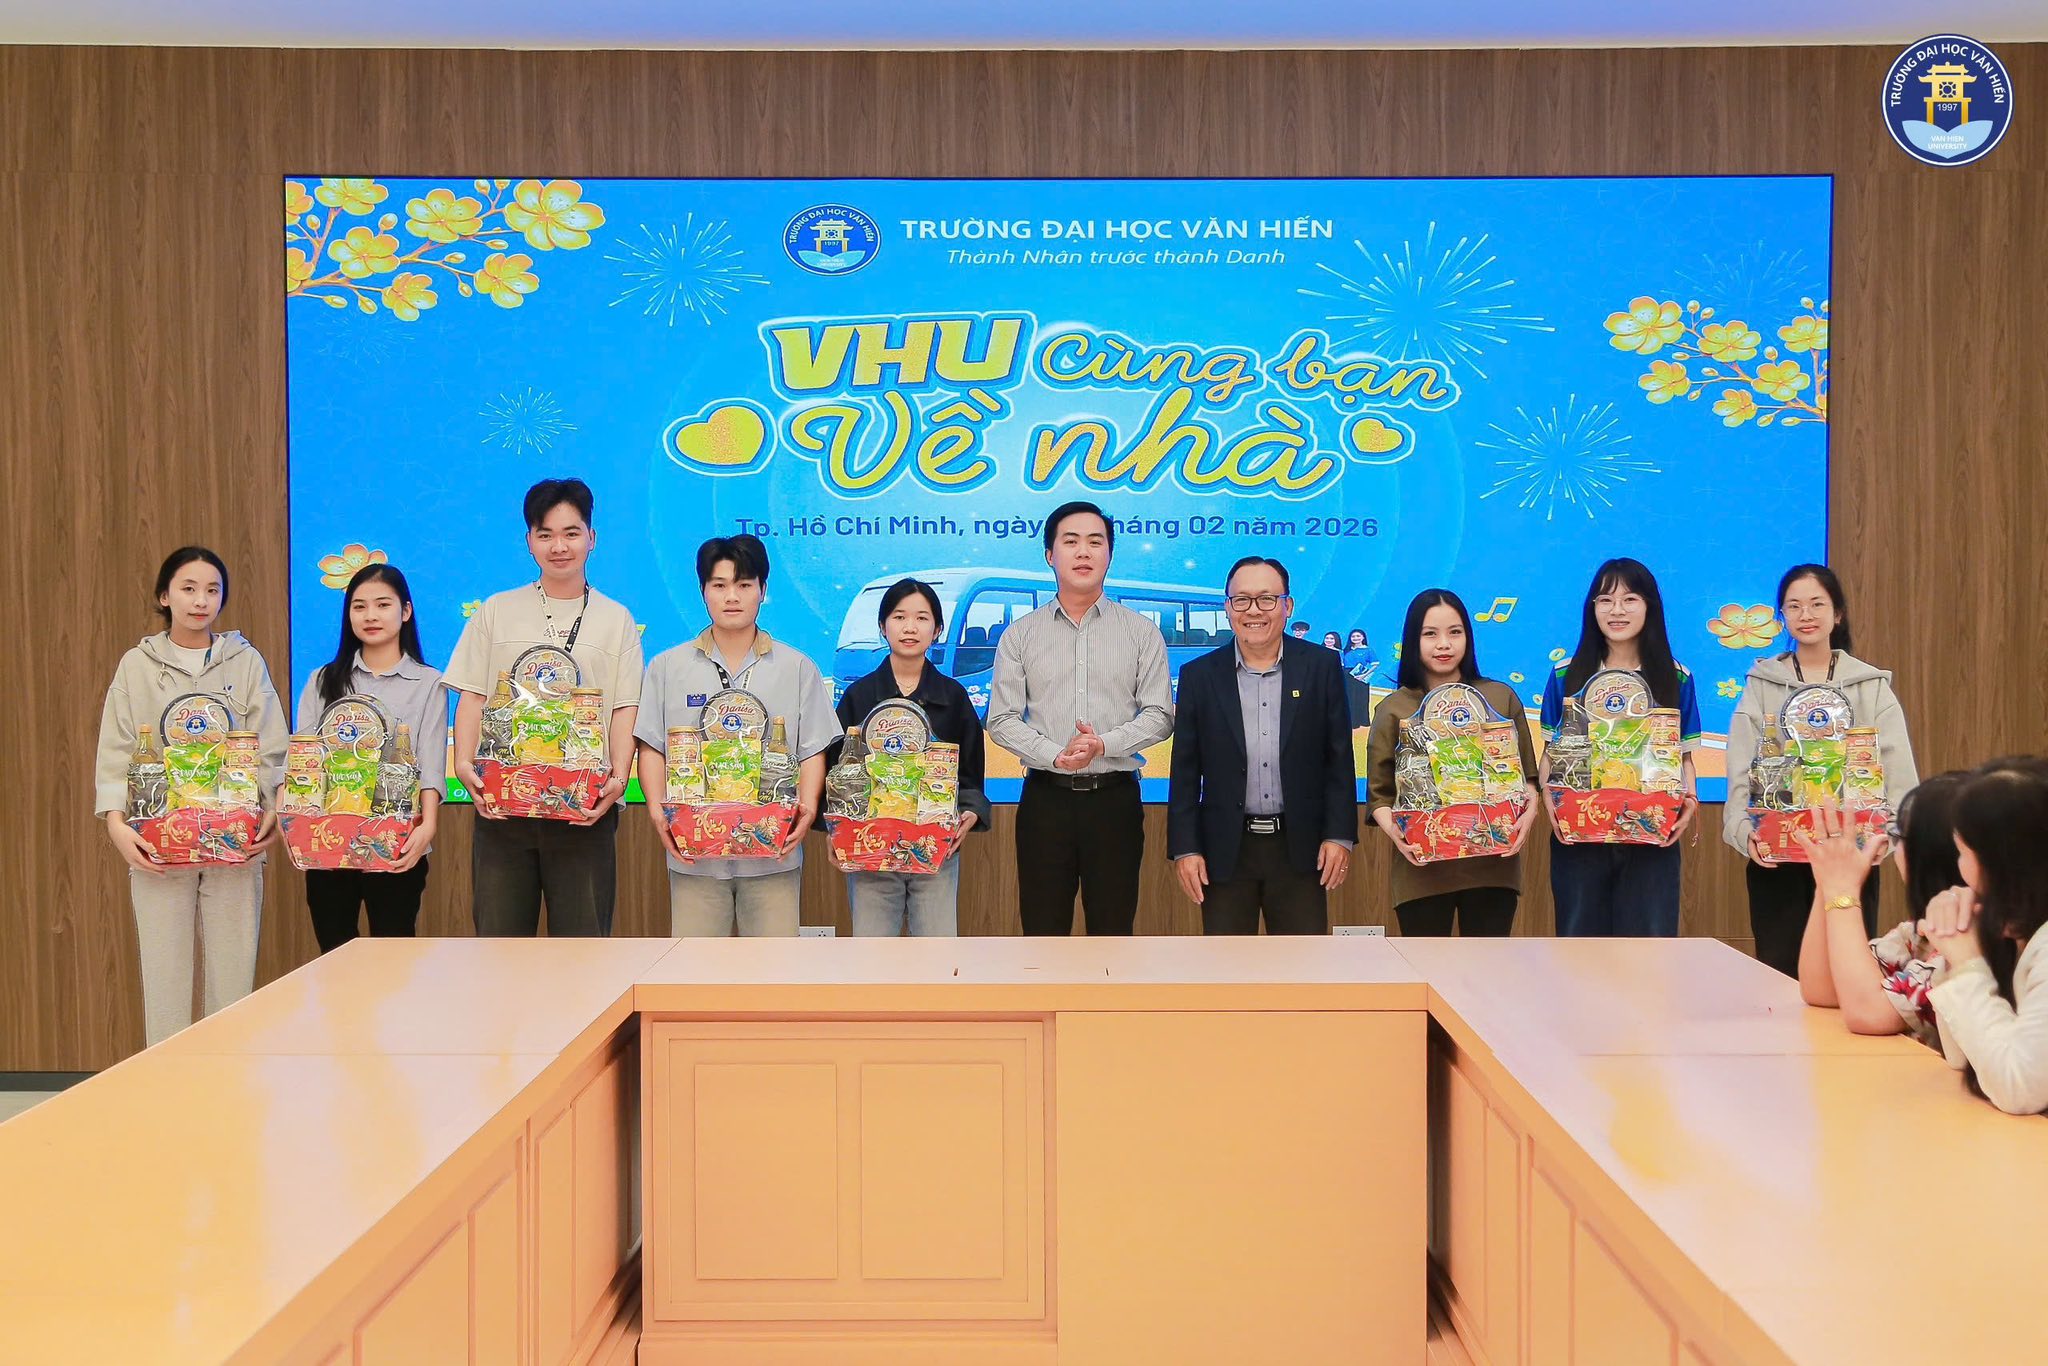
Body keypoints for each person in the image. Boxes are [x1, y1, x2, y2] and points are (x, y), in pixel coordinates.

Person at [94, 547, 288, 1047]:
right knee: (164, 979)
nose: (201, 600)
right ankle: (168, 1085)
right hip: (158, 842)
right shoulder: (137, 665)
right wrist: (116, 824)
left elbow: (272, 744)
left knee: (233, 982)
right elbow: (116, 748)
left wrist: (274, 808)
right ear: (165, 596)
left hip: (235, 844)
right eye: (188, 588)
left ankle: (227, 1083)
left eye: (212, 590)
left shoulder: (245, 662)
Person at [445, 478, 642, 936]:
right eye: (546, 534)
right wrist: (464, 765)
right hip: (504, 804)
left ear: (592, 538)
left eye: (571, 533)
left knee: (583, 949)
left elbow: (624, 708)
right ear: (529, 541)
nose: (559, 546)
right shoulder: (496, 610)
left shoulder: (616, 619)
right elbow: (472, 696)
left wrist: (617, 779)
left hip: (584, 808)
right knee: (499, 945)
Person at [635, 534, 835, 936]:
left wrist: (809, 808)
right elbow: (652, 747)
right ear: (703, 591)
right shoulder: (667, 666)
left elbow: (813, 749)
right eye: (719, 585)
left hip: (773, 852)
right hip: (695, 852)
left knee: (774, 968)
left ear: (763, 590)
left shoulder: (797, 667)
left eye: (744, 585)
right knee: (695, 966)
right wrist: (657, 811)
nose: (732, 597)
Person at [987, 501, 1172, 935]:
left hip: (1115, 802)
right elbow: (1001, 719)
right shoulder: (1020, 635)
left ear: (1110, 554)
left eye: (1095, 542)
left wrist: (1103, 744)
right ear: (1050, 555)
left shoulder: (1141, 632)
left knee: (1113, 932)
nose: (1083, 552)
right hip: (1045, 802)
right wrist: (1055, 755)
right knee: (1042, 932)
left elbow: (1161, 715)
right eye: (1071, 541)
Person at [1724, 563, 1918, 976]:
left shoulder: (1870, 685)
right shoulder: (1762, 682)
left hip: (1850, 853)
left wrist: (1893, 838)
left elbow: (1898, 768)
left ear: (1838, 613)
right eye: (1794, 606)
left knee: (1846, 972)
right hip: (1779, 853)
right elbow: (1740, 764)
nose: (1806, 615)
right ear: (1782, 616)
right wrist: (1742, 831)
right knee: (1779, 973)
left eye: (1817, 604)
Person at [1167, 556, 1355, 934]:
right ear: (1227, 607)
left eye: (1267, 599)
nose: (1254, 611)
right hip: (1225, 852)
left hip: (1300, 849)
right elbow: (1185, 772)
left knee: (1303, 964)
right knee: (1228, 965)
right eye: (1242, 600)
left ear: (1288, 606)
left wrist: (1339, 836)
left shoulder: (1321, 667)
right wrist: (1186, 848)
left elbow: (1338, 760)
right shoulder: (1199, 676)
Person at [1539, 558, 1701, 937]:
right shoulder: (1565, 674)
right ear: (1592, 608)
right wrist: (1550, 799)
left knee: (1649, 951)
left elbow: (1684, 756)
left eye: (1629, 599)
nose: (1616, 611)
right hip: (1580, 834)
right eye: (1605, 600)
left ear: (1649, 606)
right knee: (1579, 948)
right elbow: (1550, 754)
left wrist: (1690, 801)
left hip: (1651, 834)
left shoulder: (1676, 677)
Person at [1365, 589, 1539, 936]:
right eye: (1430, 634)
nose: (1443, 644)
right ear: (1412, 641)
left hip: (1494, 869)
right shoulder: (1394, 708)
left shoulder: (1499, 697)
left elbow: (1528, 780)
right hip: (1421, 871)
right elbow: (1379, 795)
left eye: (1455, 632)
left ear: (1468, 637)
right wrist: (1398, 835)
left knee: (1489, 968)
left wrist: (1528, 815)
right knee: (1426, 969)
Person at [293, 563, 445, 951]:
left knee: (393, 958)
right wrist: (290, 824)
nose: (370, 615)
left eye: (382, 604)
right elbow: (303, 760)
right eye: (359, 606)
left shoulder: (429, 682)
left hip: (398, 839)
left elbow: (430, 759)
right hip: (330, 839)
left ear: (405, 611)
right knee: (333, 956)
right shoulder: (322, 680)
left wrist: (428, 826)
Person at [833, 579, 992, 936]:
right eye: (899, 616)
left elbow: (970, 774)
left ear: (937, 630)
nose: (909, 627)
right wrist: (837, 831)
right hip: (871, 849)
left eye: (922, 618)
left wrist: (970, 811)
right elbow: (836, 773)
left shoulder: (953, 697)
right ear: (882, 626)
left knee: (936, 955)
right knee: (872, 956)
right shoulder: (859, 696)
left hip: (935, 849)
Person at [1795, 777, 1964, 1047]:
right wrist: (1829, 882)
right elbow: (1822, 989)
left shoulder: (1965, 935)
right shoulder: (1917, 932)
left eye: (1897, 835)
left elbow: (1869, 1012)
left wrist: (1842, 891)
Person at [1923, 760, 2048, 1115]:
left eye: (1962, 852)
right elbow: (1962, 1058)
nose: (1959, 869)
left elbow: (2019, 1089)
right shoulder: (2017, 928)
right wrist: (1959, 949)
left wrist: (1968, 966)